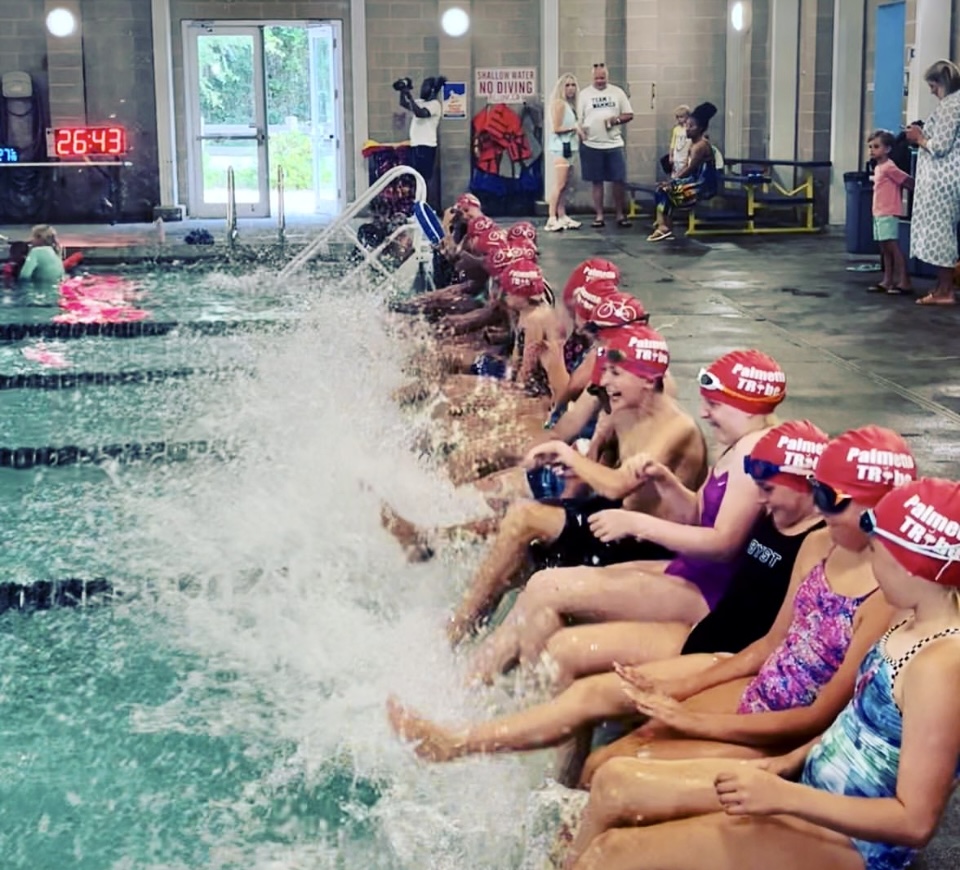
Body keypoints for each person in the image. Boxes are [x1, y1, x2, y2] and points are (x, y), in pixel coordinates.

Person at [567, 476, 960, 870]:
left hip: (858, 841)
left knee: (611, 856)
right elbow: (853, 723)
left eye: (879, 552)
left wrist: (784, 797)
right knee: (613, 783)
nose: (872, 563)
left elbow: (915, 822)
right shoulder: (909, 621)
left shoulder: (940, 666)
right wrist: (788, 763)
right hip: (810, 784)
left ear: (914, 567)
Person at [385, 420, 828, 762]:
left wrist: (695, 683)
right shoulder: (775, 514)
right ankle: (489, 711)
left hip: (713, 645)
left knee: (564, 651)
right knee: (547, 617)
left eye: (767, 490)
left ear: (805, 484)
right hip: (709, 632)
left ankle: (476, 741)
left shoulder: (815, 543)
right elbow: (706, 526)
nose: (760, 499)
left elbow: (770, 642)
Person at [574, 425, 916, 784]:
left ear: (881, 508)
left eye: (830, 498)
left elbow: (821, 716)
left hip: (787, 732)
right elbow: (771, 644)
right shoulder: (818, 546)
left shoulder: (890, 597)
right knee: (606, 758)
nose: (819, 507)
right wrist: (685, 686)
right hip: (761, 689)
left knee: (614, 776)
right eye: (815, 489)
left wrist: (695, 721)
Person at [461, 349, 785, 683]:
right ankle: (497, 691)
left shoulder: (754, 452)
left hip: (710, 591)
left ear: (746, 406)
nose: (704, 413)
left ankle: (477, 688)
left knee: (546, 589)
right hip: (693, 571)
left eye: (714, 405)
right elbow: (696, 515)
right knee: (542, 596)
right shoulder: (739, 444)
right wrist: (666, 481)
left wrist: (637, 523)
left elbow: (723, 544)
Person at [445, 324, 707, 646]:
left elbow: (617, 486)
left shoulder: (678, 427)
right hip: (611, 521)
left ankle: (458, 630)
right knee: (522, 528)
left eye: (615, 373)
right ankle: (465, 627)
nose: (605, 382)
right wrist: (577, 467)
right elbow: (599, 471)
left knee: (525, 521)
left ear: (648, 381)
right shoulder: (623, 409)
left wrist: (567, 455)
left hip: (646, 541)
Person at [906, 59, 960, 305]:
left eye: (933, 86)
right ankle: (941, 287)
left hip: (944, 179)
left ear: (944, 83)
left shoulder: (952, 105)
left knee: (941, 235)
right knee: (940, 233)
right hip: (941, 178)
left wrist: (920, 138)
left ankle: (946, 290)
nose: (931, 91)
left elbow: (940, 146)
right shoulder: (950, 105)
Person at [648, 102, 718, 242]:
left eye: (691, 126)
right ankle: (664, 225)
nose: (687, 129)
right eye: (687, 125)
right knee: (661, 189)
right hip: (693, 180)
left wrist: (672, 181)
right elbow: (687, 167)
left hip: (703, 185)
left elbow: (690, 169)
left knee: (667, 190)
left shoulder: (700, 146)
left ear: (701, 129)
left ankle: (665, 227)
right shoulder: (693, 143)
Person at [577, 63, 634, 229]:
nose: (600, 81)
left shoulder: (617, 92)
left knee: (618, 180)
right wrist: (581, 133)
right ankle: (599, 215)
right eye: (597, 78)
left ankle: (619, 214)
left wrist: (615, 120)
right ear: (592, 77)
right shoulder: (585, 94)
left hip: (614, 143)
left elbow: (629, 114)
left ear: (607, 77)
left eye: (603, 78)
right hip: (592, 144)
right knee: (597, 181)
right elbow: (578, 119)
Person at [866, 130, 914, 295]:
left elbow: (906, 180)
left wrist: (921, 191)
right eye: (871, 147)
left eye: (876, 146)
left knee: (892, 246)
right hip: (879, 211)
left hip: (888, 211)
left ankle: (904, 280)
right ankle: (887, 280)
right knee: (884, 247)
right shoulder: (879, 168)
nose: (872, 150)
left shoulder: (889, 167)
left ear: (887, 149)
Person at [545, 74, 584, 232]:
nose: (571, 89)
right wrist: (574, 128)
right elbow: (556, 128)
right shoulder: (559, 104)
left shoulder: (570, 106)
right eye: (567, 85)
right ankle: (551, 217)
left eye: (573, 85)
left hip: (571, 147)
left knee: (566, 184)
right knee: (559, 184)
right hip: (561, 148)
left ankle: (562, 215)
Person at [397, 76, 445, 185]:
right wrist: (403, 90)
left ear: (432, 89)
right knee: (414, 176)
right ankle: (417, 199)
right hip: (415, 145)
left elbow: (421, 114)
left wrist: (410, 97)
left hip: (426, 146)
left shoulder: (435, 104)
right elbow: (403, 103)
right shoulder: (420, 102)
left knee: (423, 178)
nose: (422, 89)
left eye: (425, 86)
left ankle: (423, 199)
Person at [665, 104, 691, 178]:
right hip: (677, 154)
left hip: (685, 154)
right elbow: (673, 143)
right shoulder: (676, 129)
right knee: (675, 174)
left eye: (681, 117)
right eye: (678, 117)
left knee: (685, 173)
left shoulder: (689, 129)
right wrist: (671, 155)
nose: (679, 119)